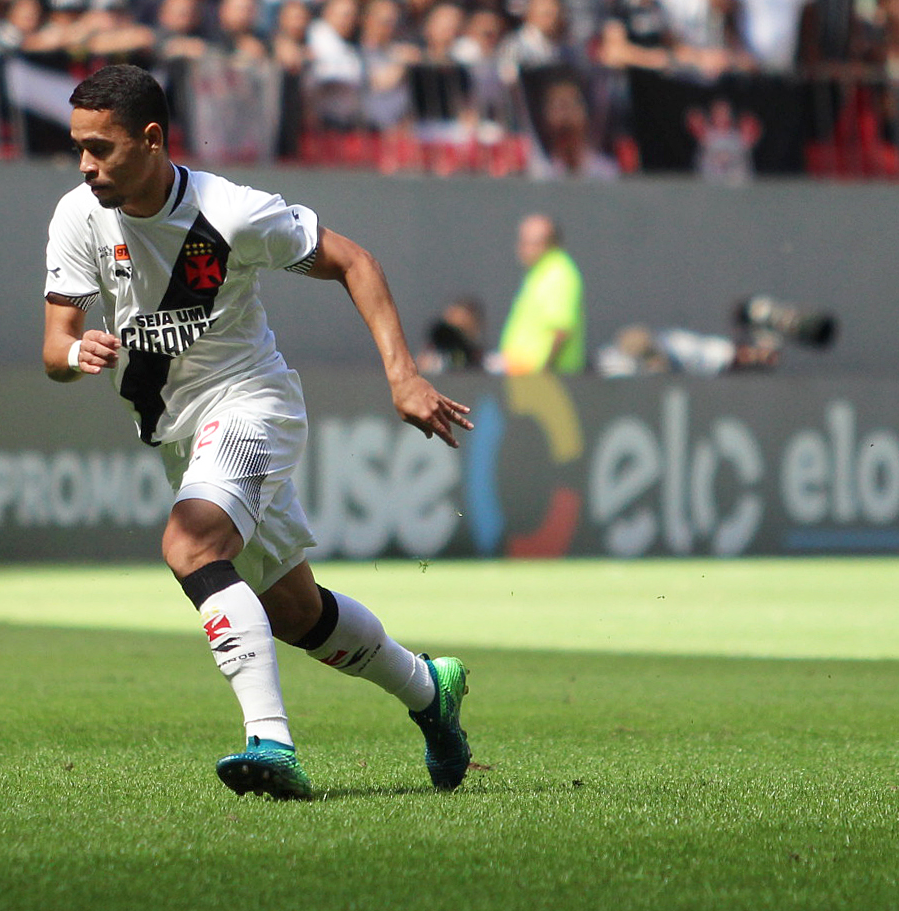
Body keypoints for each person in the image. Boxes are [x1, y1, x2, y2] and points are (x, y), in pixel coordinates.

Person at [41, 64, 474, 801]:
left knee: (190, 545)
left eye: (101, 148)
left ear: (152, 140)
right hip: (179, 436)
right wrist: (75, 352)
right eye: (78, 146)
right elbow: (55, 347)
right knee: (296, 614)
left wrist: (404, 375)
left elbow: (354, 262)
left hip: (249, 403)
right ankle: (430, 689)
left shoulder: (229, 213)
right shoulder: (78, 215)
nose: (85, 164)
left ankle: (270, 740)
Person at [498, 213, 585, 375]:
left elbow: (560, 329)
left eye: (531, 243)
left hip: (547, 381)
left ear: (549, 244)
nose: (523, 249)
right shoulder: (541, 272)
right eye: (522, 242)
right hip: (527, 378)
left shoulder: (558, 274)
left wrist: (542, 372)